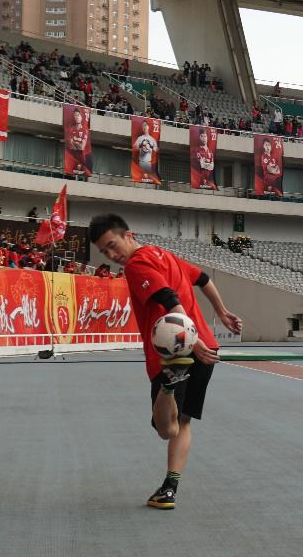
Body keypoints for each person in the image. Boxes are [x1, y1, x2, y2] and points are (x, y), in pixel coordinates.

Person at [89, 214, 243, 510]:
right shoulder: (165, 255)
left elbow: (169, 300)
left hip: (175, 350)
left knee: (165, 429)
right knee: (183, 422)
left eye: (112, 245)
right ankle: (169, 488)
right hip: (205, 348)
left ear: (128, 234)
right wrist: (221, 313)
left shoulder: (136, 265)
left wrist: (190, 341)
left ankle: (170, 385)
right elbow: (204, 280)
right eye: (104, 252)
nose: (112, 255)